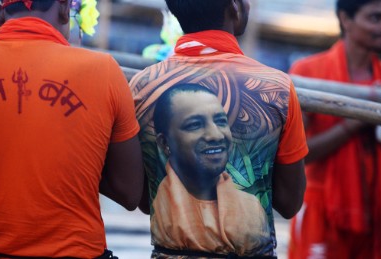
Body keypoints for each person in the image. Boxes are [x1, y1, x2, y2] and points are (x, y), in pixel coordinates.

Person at [0, 0, 144, 257]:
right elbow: (130, 192)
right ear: (66, 9)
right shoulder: (104, 71)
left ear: (0, 15)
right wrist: (77, 158)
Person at [130, 0, 308, 257]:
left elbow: (145, 201)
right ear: (234, 5)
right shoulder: (276, 88)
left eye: (220, 120)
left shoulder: (141, 87)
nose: (214, 135)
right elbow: (290, 203)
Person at [287, 0, 381, 258]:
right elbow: (296, 155)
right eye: (375, 18)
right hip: (322, 214)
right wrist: (358, 120)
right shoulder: (308, 72)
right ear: (346, 19)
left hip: (377, 212)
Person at [150, 84, 271, 257]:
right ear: (164, 143)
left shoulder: (251, 208)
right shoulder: (159, 205)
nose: (216, 135)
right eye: (194, 125)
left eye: (221, 121)